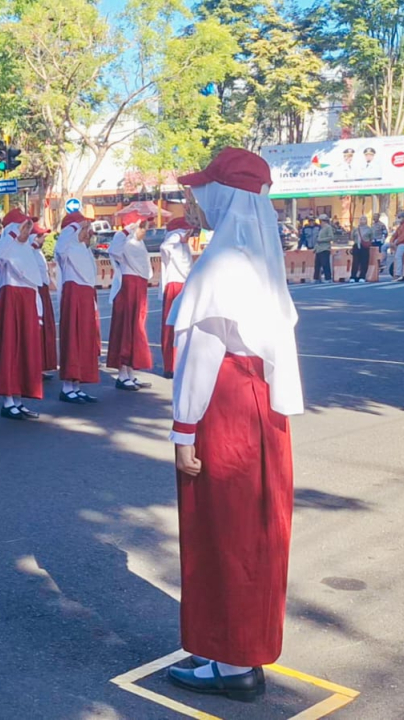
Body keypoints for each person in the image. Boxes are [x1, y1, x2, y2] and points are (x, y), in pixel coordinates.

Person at [167, 147, 302, 701]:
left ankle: (231, 661)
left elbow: (201, 357)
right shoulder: (261, 258)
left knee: (221, 532)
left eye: (203, 190)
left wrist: (182, 430)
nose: (195, 200)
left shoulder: (221, 262)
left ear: (223, 195)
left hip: (224, 411)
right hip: (262, 412)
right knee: (256, 533)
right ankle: (238, 645)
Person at [0, 209, 44, 419]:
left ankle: (19, 399)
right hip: (11, 299)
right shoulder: (6, 246)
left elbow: (35, 282)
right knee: (10, 349)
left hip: (27, 300)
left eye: (29, 226)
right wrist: (13, 234)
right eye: (24, 226)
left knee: (25, 349)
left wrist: (38, 310)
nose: (27, 230)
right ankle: (8, 401)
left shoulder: (27, 250)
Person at [54, 212, 102, 404]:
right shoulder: (67, 248)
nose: (87, 233)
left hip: (85, 295)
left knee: (84, 340)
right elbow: (61, 245)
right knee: (72, 339)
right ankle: (67, 387)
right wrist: (74, 226)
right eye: (83, 229)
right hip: (73, 294)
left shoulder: (84, 249)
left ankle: (77, 385)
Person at [106, 213, 154, 390]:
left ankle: (130, 372)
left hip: (139, 287)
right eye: (142, 227)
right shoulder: (123, 241)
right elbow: (113, 251)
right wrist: (127, 230)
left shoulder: (139, 244)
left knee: (136, 330)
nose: (144, 231)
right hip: (127, 287)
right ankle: (121, 374)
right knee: (125, 330)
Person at [159, 217, 194, 379]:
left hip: (185, 285)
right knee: (171, 327)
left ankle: (182, 363)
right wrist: (178, 238)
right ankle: (170, 365)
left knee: (186, 326)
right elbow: (165, 247)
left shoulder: (184, 247)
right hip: (174, 285)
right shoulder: (173, 244)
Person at [31, 225, 59, 381]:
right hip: (37, 291)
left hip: (43, 291)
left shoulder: (38, 252)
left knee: (45, 330)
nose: (44, 239)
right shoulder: (30, 252)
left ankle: (41, 365)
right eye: (41, 236)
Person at [387, 210, 404, 281]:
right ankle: (382, 263)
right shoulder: (400, 226)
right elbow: (394, 235)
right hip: (398, 243)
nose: (398, 219)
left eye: (399, 217)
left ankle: (398, 274)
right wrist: (391, 242)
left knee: (398, 256)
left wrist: (395, 242)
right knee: (384, 247)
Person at [348, 214, 373, 282]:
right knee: (355, 261)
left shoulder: (369, 229)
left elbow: (371, 238)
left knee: (364, 261)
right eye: (361, 219)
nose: (362, 220)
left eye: (364, 219)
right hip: (356, 245)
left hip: (365, 246)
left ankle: (362, 276)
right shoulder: (356, 229)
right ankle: (353, 276)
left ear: (366, 220)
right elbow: (352, 237)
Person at [312, 213, 335, 282]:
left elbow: (331, 237)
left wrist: (321, 240)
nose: (320, 222)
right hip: (319, 249)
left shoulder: (328, 227)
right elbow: (317, 240)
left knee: (325, 264)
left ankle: (328, 278)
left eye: (320, 221)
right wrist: (315, 248)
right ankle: (316, 278)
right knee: (317, 265)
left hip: (325, 248)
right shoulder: (321, 229)